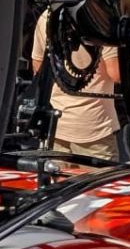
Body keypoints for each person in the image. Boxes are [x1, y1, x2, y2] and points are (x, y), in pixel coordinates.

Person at [29, 9, 121, 159]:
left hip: (56, 126)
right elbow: (116, 73)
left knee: (56, 181)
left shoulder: (46, 16)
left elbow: (38, 69)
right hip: (93, 128)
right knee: (98, 182)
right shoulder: (102, 17)